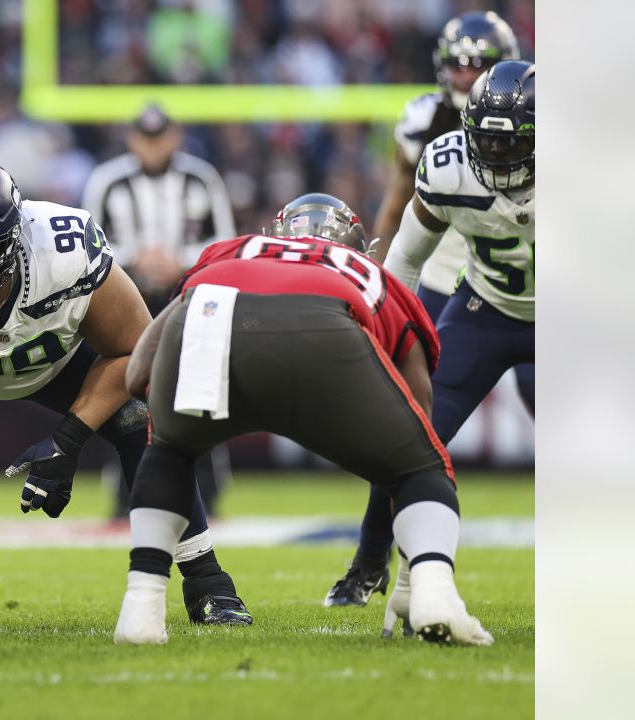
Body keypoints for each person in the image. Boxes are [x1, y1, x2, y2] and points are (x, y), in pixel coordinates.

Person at [0, 157, 249, 632]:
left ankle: (208, 582)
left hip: (59, 363)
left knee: (145, 414)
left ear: (14, 237)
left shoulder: (64, 247)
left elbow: (140, 351)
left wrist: (69, 439)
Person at [114, 193, 492, 646]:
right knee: (421, 467)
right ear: (355, 245)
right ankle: (431, 592)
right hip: (327, 322)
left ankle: (141, 605)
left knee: (168, 454)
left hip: (217, 312)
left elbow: (140, 369)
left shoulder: (229, 250)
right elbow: (419, 400)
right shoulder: (371, 273)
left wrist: (170, 427)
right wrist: (410, 480)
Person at [325, 10, 529, 608]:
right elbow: (405, 251)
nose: (493, 155)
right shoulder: (443, 156)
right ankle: (370, 557)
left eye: (509, 142)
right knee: (410, 430)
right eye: (484, 141)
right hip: (482, 298)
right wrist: (383, 325)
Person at [83, 104, 236, 520]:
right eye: (145, 138)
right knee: (124, 393)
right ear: (132, 139)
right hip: (128, 294)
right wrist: (136, 258)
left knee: (198, 389)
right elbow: (89, 243)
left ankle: (209, 492)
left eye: (160, 137)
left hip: (185, 292)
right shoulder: (109, 180)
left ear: (175, 136)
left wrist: (178, 260)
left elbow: (223, 239)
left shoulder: (200, 178)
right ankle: (124, 494)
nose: (152, 147)